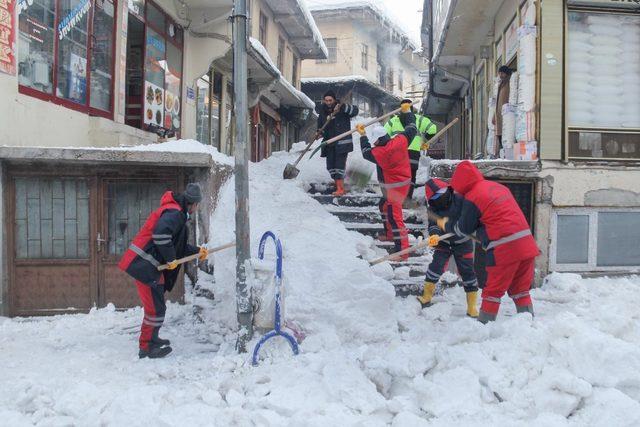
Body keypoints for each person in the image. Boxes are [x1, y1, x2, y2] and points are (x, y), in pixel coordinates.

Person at [436, 161, 539, 323]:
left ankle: (484, 328)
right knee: (520, 290)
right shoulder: (497, 187)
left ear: (460, 182)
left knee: (492, 292)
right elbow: (497, 217)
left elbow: (464, 229)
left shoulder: (473, 196)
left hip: (506, 248)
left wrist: (446, 224)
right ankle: (529, 325)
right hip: (526, 244)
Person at [118, 183, 209, 358]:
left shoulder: (177, 213)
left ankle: (153, 338)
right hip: (143, 264)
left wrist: (198, 252)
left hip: (148, 265)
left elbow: (178, 246)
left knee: (158, 307)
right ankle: (146, 347)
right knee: (154, 309)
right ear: (193, 204)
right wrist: (170, 259)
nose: (197, 209)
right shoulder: (174, 213)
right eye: (198, 206)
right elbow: (160, 235)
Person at [417, 179, 479, 318]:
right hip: (443, 243)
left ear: (448, 190)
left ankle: (472, 307)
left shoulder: (460, 199)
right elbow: (433, 224)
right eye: (436, 197)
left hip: (463, 242)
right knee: (435, 267)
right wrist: (434, 235)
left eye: (441, 194)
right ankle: (426, 296)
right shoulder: (433, 208)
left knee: (467, 272)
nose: (440, 199)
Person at [356, 121, 417, 257]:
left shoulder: (381, 152)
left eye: (374, 141)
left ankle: (402, 253)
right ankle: (390, 235)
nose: (374, 144)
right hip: (400, 182)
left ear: (379, 140)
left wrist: (363, 135)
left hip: (395, 188)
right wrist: (408, 116)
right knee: (384, 206)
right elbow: (411, 130)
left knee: (395, 217)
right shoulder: (400, 140)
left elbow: (366, 152)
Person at [384, 99, 437, 202]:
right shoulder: (419, 120)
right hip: (413, 154)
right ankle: (407, 199)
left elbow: (383, 135)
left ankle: (397, 198)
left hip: (397, 154)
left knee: (398, 177)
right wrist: (425, 139)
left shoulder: (393, 121)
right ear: (412, 109)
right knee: (411, 177)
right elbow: (432, 129)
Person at [316, 90, 359, 196]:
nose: (328, 102)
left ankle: (340, 189)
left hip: (342, 143)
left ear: (334, 100)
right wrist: (319, 132)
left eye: (330, 100)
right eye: (326, 100)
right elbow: (321, 125)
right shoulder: (322, 111)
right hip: (329, 143)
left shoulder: (342, 108)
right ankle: (337, 184)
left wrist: (343, 107)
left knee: (339, 166)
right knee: (331, 166)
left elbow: (355, 111)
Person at [493, 66, 512, 156]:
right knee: (500, 135)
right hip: (500, 114)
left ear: (507, 73)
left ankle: (505, 153)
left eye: (502, 73)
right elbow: (497, 101)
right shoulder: (501, 84)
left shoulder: (509, 83)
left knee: (506, 134)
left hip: (507, 115)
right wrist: (494, 115)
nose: (500, 75)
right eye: (499, 73)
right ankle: (502, 154)